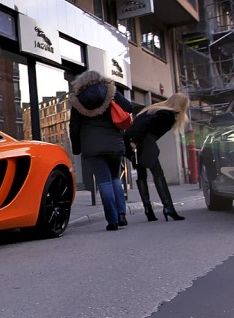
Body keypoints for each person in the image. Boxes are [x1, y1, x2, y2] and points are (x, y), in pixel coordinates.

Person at [69, 70, 133, 231]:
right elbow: (129, 107)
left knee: (103, 182)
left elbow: (74, 128)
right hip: (114, 145)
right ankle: (121, 215)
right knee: (115, 179)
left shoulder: (78, 101)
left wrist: (76, 149)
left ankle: (112, 221)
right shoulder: (111, 92)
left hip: (92, 147)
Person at [123, 92, 190, 222]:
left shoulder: (154, 109)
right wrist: (136, 141)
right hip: (140, 142)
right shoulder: (168, 115)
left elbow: (138, 124)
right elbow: (145, 125)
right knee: (158, 174)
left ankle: (149, 211)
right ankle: (168, 208)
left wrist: (133, 142)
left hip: (131, 143)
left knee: (142, 175)